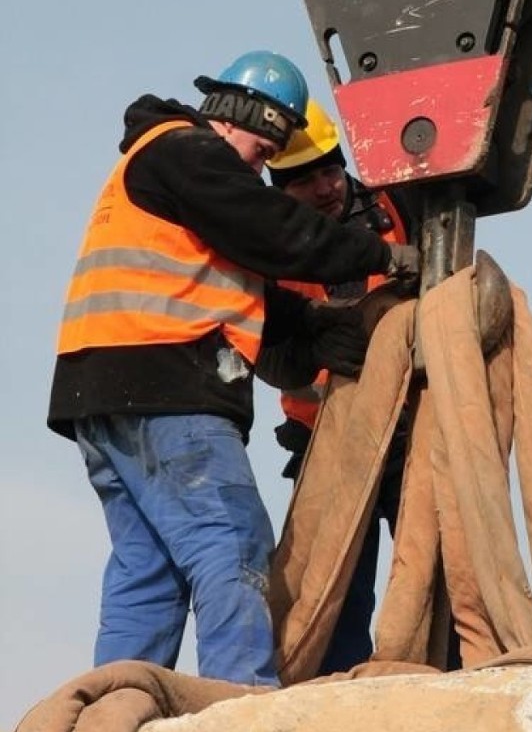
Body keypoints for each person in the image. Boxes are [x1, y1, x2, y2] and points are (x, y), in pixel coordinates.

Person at [48, 50, 419, 687]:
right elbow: (274, 231)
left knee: (150, 565)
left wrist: (322, 328)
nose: (263, 162)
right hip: (167, 390)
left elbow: (239, 289)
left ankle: (114, 708)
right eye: (266, 145)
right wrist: (384, 257)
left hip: (103, 397)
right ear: (244, 115)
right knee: (231, 541)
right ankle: (240, 702)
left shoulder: (170, 171)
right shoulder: (190, 152)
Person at [266, 99, 414, 673]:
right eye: (305, 180)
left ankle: (445, 677)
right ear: (281, 188)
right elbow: (273, 358)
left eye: (331, 169)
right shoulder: (268, 245)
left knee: (436, 570)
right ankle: (336, 691)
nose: (327, 187)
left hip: (409, 432)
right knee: (334, 588)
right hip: (325, 443)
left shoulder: (394, 205)